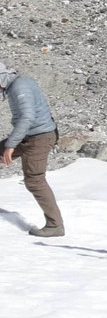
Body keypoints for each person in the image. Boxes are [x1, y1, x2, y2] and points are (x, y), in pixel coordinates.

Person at [0, 62, 65, 237]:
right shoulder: (20, 83)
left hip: (38, 137)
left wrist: (10, 145)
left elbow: (27, 117)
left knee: (34, 180)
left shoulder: (19, 87)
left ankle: (55, 225)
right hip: (31, 135)